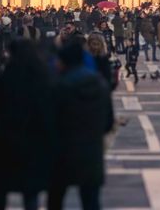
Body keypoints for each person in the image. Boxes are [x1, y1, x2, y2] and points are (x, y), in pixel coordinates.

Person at [0, 39, 54, 210]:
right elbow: (50, 120)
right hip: (34, 147)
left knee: (0, 195)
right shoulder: (44, 80)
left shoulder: (5, 80)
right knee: (31, 195)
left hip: (5, 146)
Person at [49, 41, 116, 210]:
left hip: (62, 152)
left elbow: (48, 120)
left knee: (56, 200)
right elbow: (108, 123)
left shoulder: (58, 85)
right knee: (91, 201)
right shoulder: (100, 84)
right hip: (91, 152)